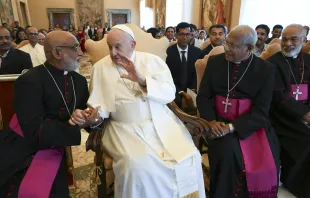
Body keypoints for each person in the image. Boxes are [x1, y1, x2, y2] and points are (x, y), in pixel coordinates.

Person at [76, 24, 205, 198]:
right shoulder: (100, 67)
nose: (113, 53)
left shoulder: (153, 61)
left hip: (162, 122)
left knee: (190, 157)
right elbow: (98, 105)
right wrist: (94, 117)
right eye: (109, 47)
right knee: (137, 166)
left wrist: (142, 80)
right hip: (123, 128)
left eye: (118, 47)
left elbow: (169, 94)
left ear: (133, 45)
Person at [0, 31, 97, 198]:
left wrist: (90, 119)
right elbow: (32, 128)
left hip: (57, 143)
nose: (81, 53)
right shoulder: (29, 81)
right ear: (58, 52)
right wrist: (73, 125)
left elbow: (84, 114)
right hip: (24, 146)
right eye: (75, 47)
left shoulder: (79, 82)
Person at [197, 25, 279, 198]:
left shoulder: (266, 69)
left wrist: (232, 127)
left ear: (249, 48)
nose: (226, 48)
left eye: (233, 46)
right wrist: (211, 121)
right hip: (217, 122)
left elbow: (262, 110)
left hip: (251, 124)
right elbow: (204, 97)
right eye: (227, 43)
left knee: (267, 162)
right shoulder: (214, 62)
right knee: (227, 152)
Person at [267, 24, 310, 197]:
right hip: (280, 117)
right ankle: (297, 185)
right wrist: (304, 115)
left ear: (304, 40)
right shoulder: (272, 63)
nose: (288, 43)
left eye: (294, 39)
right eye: (285, 39)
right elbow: (279, 96)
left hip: (304, 114)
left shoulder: (308, 60)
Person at [166, 22, 202, 108]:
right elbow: (167, 76)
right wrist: (181, 92)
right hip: (173, 88)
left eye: (187, 34)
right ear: (176, 35)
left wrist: (192, 90)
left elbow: (198, 74)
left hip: (193, 89)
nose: (185, 37)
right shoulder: (168, 52)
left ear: (191, 35)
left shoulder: (197, 52)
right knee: (177, 101)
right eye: (181, 34)